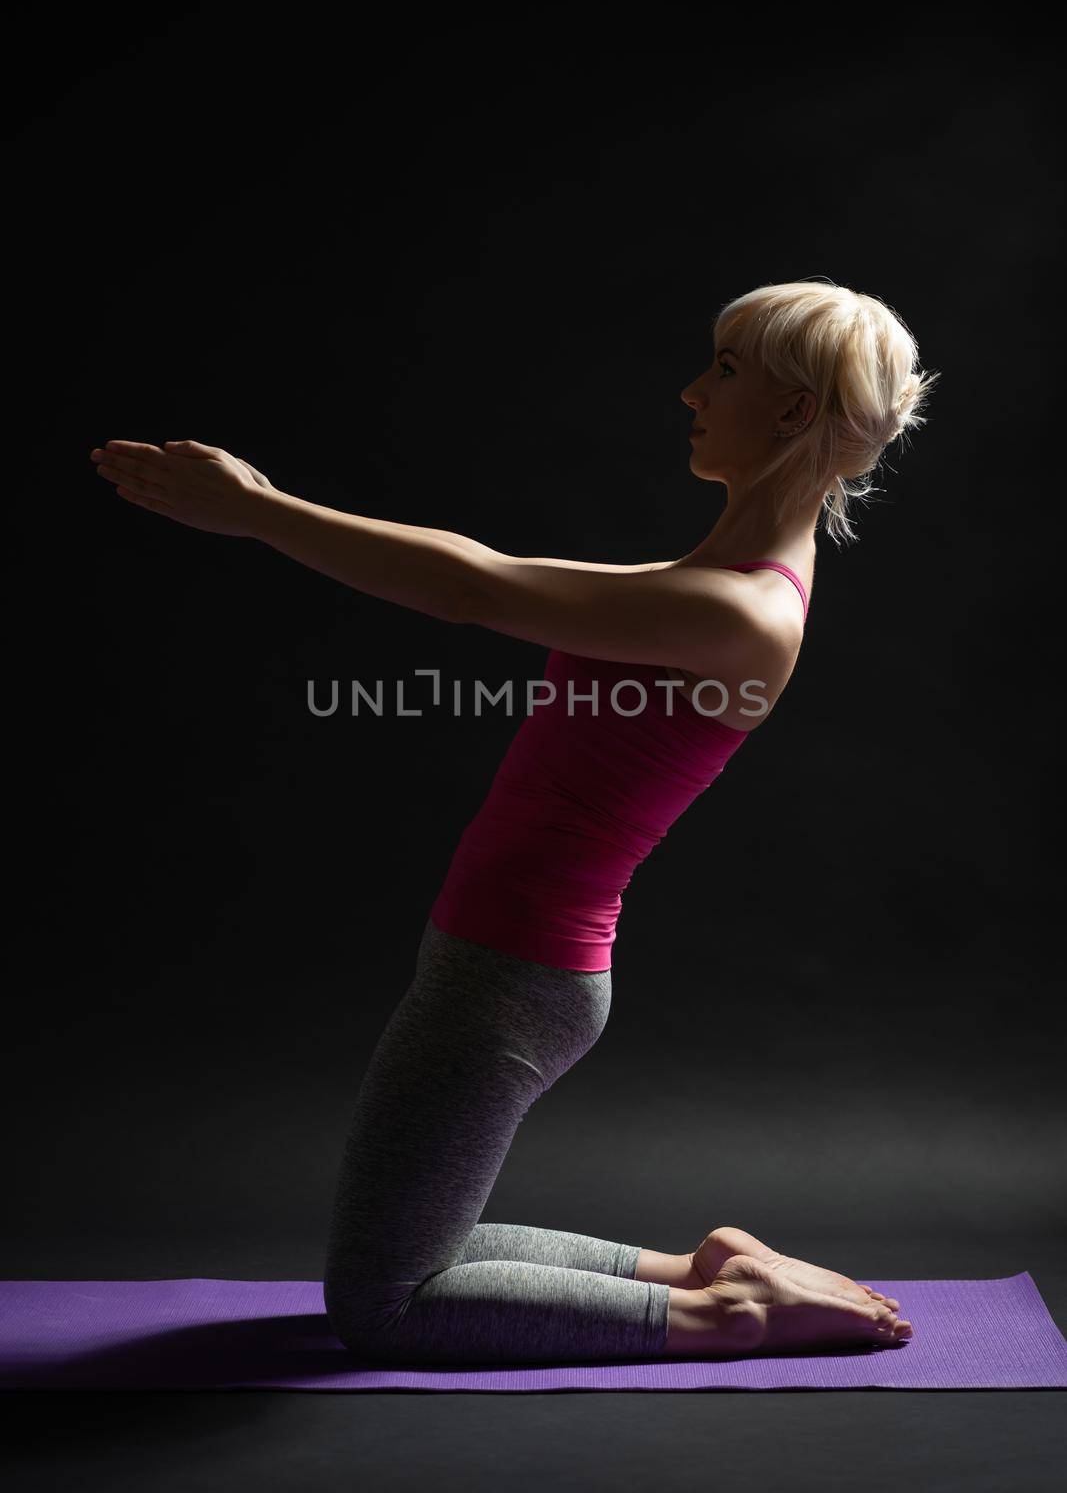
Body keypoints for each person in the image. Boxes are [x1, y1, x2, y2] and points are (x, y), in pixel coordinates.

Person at [89, 277, 938, 1365]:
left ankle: (728, 1315)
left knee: (383, 1306)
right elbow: (490, 576)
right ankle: (699, 1271)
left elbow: (474, 589)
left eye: (724, 369)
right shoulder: (703, 578)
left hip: (513, 978)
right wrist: (263, 506)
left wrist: (258, 512)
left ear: (788, 410)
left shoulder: (736, 609)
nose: (690, 389)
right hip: (498, 959)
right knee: (420, 1242)